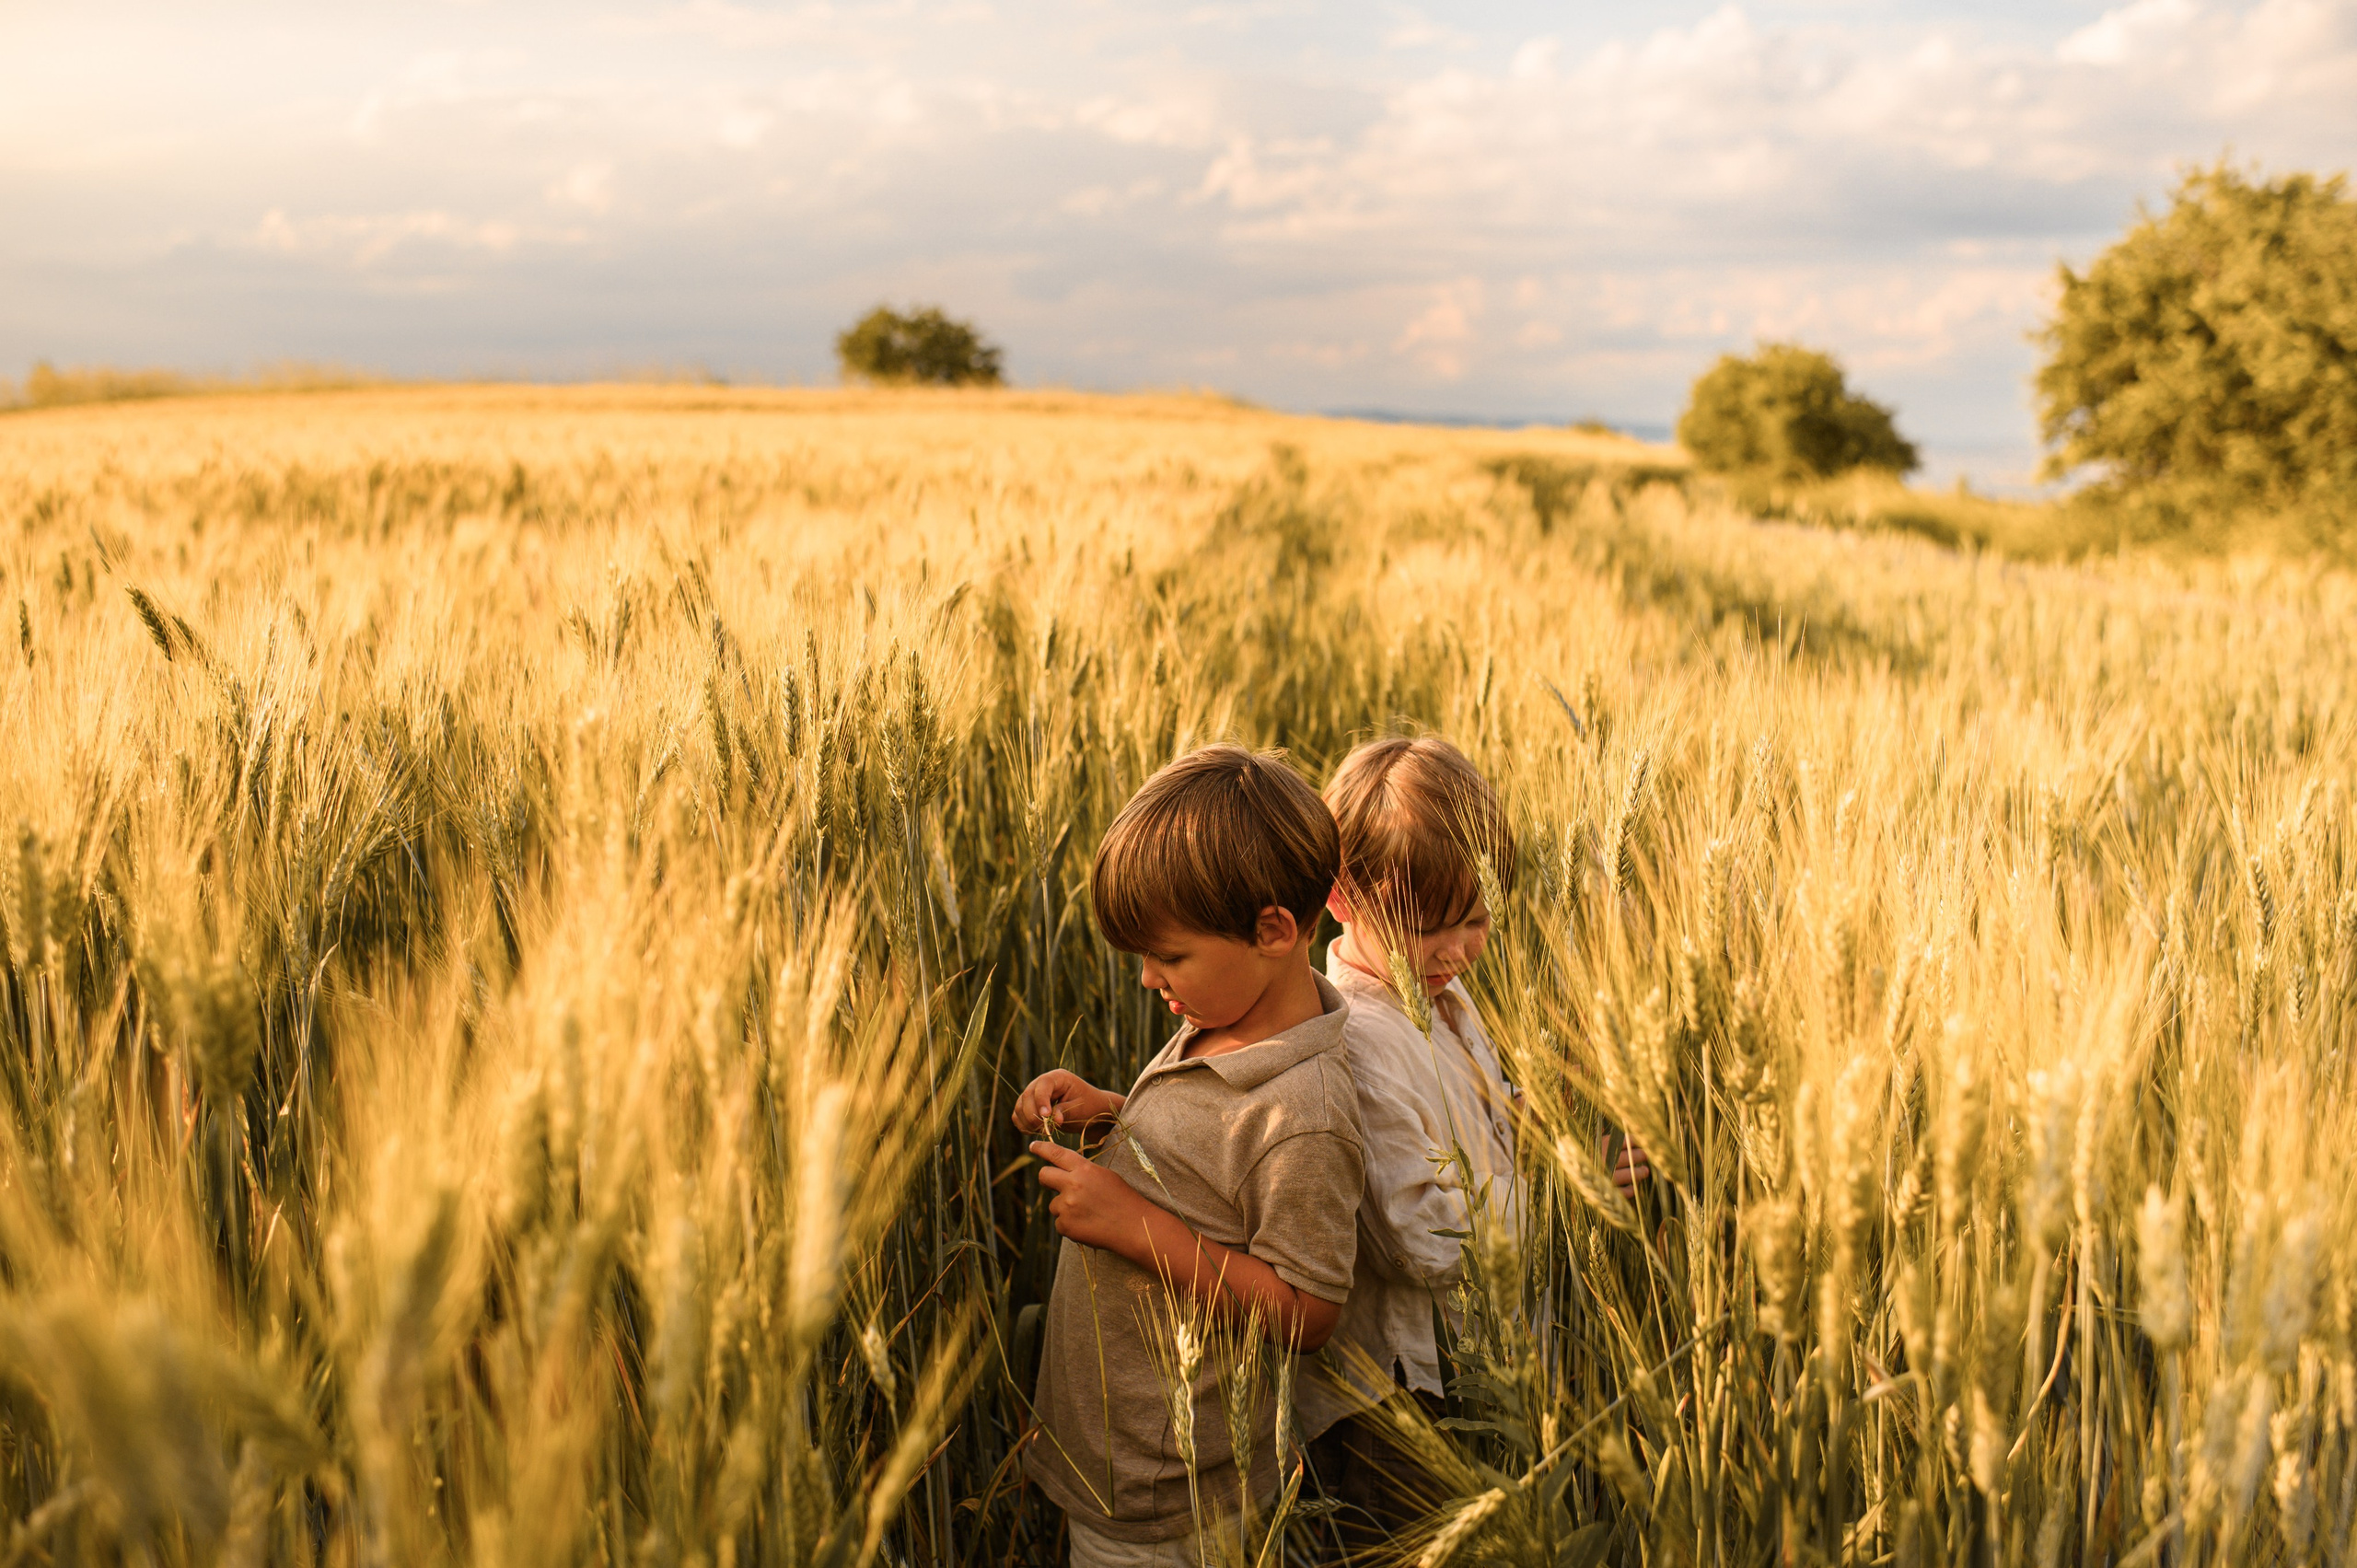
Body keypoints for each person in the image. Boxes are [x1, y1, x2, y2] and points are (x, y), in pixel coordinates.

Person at [1014, 743, 1366, 1566]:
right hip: (1122, 1452)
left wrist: (1131, 1224)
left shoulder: (1303, 1111)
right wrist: (1109, 1114)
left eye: (1167, 956)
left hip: (1175, 1492)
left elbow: (1308, 1312)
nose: (1146, 979)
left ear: (1273, 930)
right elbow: (1204, 1172)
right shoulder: (1227, 1015)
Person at [1298, 735, 1648, 1554]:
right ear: (1346, 897)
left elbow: (1478, 1117)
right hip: (1399, 1399)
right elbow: (1422, 1233)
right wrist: (1566, 1193)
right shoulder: (1355, 1040)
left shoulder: (1444, 998)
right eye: (1432, 929)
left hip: (1477, 1363)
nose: (1457, 951)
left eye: (1478, 920)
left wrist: (1538, 1131)